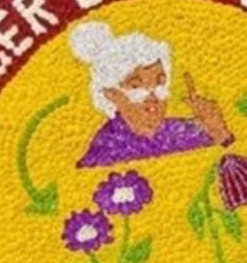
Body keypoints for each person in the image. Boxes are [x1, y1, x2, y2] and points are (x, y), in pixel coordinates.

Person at [70, 21, 233, 168]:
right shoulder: (107, 147)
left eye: (160, 83)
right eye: (136, 86)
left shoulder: (182, 131)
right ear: (111, 94)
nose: (152, 96)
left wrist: (219, 131)